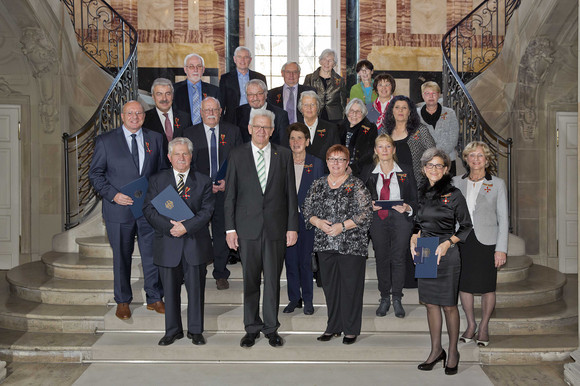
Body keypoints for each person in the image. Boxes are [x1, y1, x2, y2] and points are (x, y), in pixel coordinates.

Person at [224, 109, 299, 348]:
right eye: (257, 126)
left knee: (273, 282)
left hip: (276, 230)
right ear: (249, 128)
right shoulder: (237, 154)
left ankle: (271, 328)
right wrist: (230, 230)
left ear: (272, 130)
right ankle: (251, 328)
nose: (261, 131)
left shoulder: (283, 154)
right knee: (250, 281)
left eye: (266, 127)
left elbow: (290, 194)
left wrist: (292, 227)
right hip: (247, 230)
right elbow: (230, 197)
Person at [88, 100, 166, 320]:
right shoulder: (105, 141)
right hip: (118, 210)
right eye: (130, 113)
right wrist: (113, 194)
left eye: (139, 113)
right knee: (122, 257)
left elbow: (161, 173)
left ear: (144, 116)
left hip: (148, 210)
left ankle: (154, 297)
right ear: (122, 116)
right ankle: (122, 301)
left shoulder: (156, 139)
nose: (135, 116)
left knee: (152, 255)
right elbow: (95, 174)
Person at [143, 137, 215, 346]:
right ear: (169, 157)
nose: (181, 158)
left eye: (185, 154)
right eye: (177, 154)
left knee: (196, 290)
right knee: (171, 292)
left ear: (191, 156)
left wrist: (186, 226)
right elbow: (148, 209)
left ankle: (195, 331)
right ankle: (172, 331)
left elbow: (207, 211)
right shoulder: (157, 180)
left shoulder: (203, 180)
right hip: (168, 243)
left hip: (194, 243)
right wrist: (170, 226)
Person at [302, 144, 372, 345]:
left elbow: (366, 213)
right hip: (325, 244)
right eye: (332, 159)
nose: (336, 163)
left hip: (351, 245)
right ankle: (333, 326)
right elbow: (307, 210)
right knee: (331, 289)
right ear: (327, 162)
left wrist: (343, 226)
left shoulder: (356, 185)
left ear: (347, 163)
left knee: (351, 288)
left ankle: (350, 329)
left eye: (340, 159)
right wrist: (318, 222)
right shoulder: (318, 184)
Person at [410, 148, 472, 375]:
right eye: (429, 165)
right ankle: (436, 351)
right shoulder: (421, 192)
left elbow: (466, 226)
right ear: (424, 169)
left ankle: (453, 351)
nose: (434, 169)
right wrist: (413, 237)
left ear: (446, 169)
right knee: (430, 304)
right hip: (425, 250)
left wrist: (448, 243)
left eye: (438, 166)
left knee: (448, 305)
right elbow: (418, 222)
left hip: (446, 252)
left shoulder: (454, 194)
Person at [182, 97, 243, 290]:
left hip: (225, 191)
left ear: (221, 111)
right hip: (198, 192)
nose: (211, 113)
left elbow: (241, 160)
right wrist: (205, 185)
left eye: (214, 110)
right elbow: (184, 164)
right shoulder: (189, 133)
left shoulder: (233, 131)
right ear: (200, 112)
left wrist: (230, 182)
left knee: (221, 232)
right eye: (207, 110)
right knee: (196, 233)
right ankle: (196, 270)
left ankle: (220, 273)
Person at [453, 141, 508, 347]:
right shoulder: (456, 181)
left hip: (487, 242)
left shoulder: (497, 184)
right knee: (464, 286)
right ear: (466, 159)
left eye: (480, 155)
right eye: (471, 155)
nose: (476, 159)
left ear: (487, 159)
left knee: (487, 287)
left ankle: (484, 327)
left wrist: (501, 248)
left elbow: (503, 219)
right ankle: (470, 325)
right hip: (463, 241)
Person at [361, 134, 417, 318]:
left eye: (388, 147)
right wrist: (369, 205)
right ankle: (384, 297)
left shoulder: (406, 170)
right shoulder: (368, 171)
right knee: (382, 258)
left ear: (393, 149)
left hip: (400, 218)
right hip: (378, 218)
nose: (384, 150)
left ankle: (397, 298)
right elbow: (360, 198)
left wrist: (408, 207)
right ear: (376, 150)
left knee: (399, 258)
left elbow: (415, 199)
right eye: (380, 147)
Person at [283, 123, 325, 315]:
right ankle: (294, 299)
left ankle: (308, 299)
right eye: (292, 138)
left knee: (305, 262)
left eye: (300, 138)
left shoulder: (316, 163)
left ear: (307, 141)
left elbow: (322, 193)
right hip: (286, 221)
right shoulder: (282, 161)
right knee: (290, 261)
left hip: (309, 221)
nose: (296, 142)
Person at [382, 95, 435, 187]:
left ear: (410, 112)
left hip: (416, 183)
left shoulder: (420, 131)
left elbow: (433, 154)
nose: (400, 110)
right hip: (390, 183)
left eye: (404, 108)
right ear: (392, 111)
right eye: (397, 107)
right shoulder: (385, 132)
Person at [418, 81, 460, 175]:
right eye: (427, 93)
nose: (431, 96)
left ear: (439, 95)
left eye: (434, 93)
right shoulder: (416, 115)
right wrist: (429, 157)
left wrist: (437, 156)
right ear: (422, 95)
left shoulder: (450, 113)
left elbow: (453, 138)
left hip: (447, 160)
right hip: (425, 162)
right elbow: (416, 139)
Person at [143, 78, 191, 159]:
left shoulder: (185, 118)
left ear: (172, 95)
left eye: (168, 94)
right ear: (153, 97)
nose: (164, 98)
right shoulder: (145, 119)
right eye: (159, 94)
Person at [218, 46, 267, 124]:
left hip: (255, 117)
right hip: (232, 120)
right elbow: (221, 103)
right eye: (239, 57)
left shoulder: (260, 77)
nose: (242, 60)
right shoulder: (225, 78)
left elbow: (265, 100)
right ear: (234, 59)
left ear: (250, 60)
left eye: (246, 57)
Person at [235, 79, 289, 144]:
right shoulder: (238, 112)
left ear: (266, 95)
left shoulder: (280, 115)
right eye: (250, 94)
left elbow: (283, 145)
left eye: (259, 94)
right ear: (246, 96)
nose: (255, 98)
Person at [174, 53, 220, 126]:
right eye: (191, 67)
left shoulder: (214, 91)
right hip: (182, 133)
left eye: (199, 66)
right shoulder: (174, 90)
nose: (195, 69)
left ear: (203, 69)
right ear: (185, 69)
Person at [303, 49, 347, 123]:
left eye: (330, 60)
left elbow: (343, 103)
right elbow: (304, 100)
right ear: (320, 61)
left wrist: (343, 120)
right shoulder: (310, 78)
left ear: (334, 64)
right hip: (314, 116)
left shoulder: (340, 80)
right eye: (324, 59)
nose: (327, 63)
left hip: (335, 118)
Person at [297, 90, 340, 164]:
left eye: (313, 104)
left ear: (318, 107)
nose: (309, 108)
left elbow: (337, 154)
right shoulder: (294, 129)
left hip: (324, 172)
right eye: (306, 105)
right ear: (301, 108)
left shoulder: (331, 128)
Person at [339, 98, 377, 176]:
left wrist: (353, 168)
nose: (354, 114)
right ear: (347, 112)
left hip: (361, 171)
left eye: (358, 112)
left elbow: (370, 154)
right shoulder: (339, 127)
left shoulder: (370, 129)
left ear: (363, 114)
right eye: (351, 111)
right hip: (339, 170)